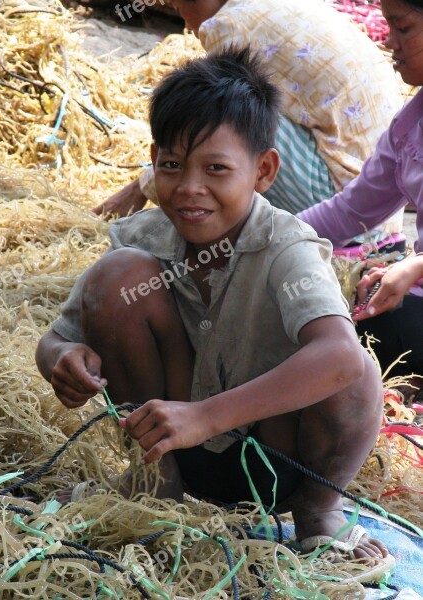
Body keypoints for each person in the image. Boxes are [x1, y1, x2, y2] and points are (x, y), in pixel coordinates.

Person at [36, 47, 389, 563]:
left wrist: (205, 416)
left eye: (216, 169)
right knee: (115, 278)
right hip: (172, 450)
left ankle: (319, 514)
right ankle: (152, 486)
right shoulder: (143, 237)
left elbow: (337, 359)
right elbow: (55, 340)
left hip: (280, 461)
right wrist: (60, 362)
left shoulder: (286, 247)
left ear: (264, 171)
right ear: (153, 163)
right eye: (172, 166)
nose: (189, 188)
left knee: (355, 369)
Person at [93, 0, 403, 242]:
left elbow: (208, 120)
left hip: (343, 205)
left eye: (178, 7)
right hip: (380, 210)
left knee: (231, 116)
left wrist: (143, 188)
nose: (187, 24)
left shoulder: (229, 24)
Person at [297, 0, 423, 384]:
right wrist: (266, 235)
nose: (389, 43)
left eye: (403, 28)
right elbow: (349, 211)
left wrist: (414, 266)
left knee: (344, 344)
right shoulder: (410, 125)